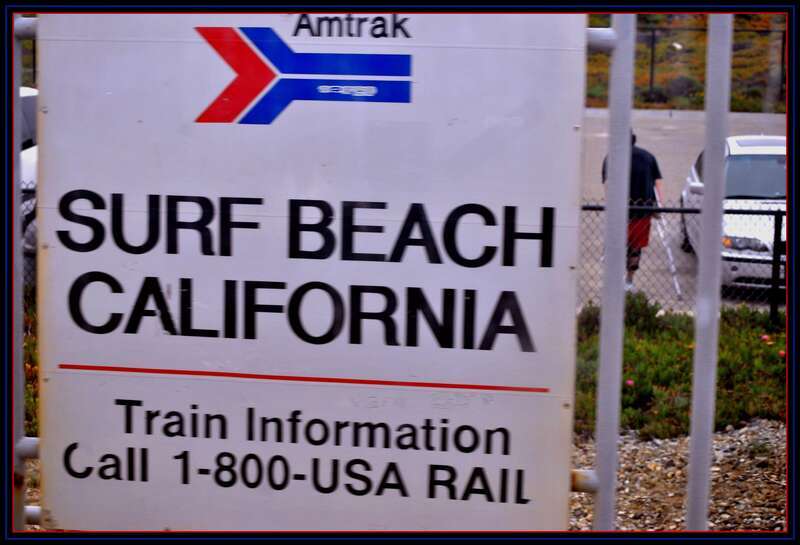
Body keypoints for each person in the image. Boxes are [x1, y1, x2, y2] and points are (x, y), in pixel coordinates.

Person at [601, 131, 663, 291]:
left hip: (620, 213)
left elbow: (608, 185)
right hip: (642, 212)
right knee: (635, 249)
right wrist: (659, 206)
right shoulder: (649, 157)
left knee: (616, 248)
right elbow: (657, 184)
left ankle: (613, 282)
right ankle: (629, 281)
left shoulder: (611, 158)